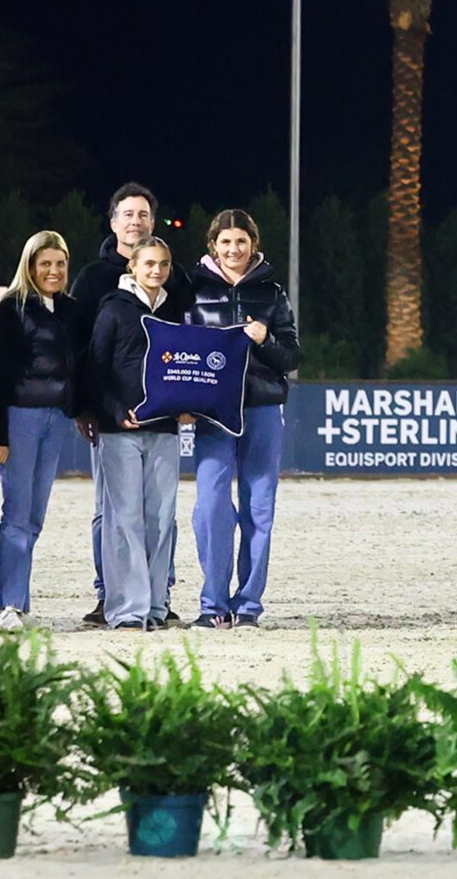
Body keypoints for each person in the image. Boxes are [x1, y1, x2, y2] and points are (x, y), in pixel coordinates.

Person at [180, 206, 301, 628]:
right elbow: (179, 351)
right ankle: (213, 604)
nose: (234, 249)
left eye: (241, 241)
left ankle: (248, 605)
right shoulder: (192, 291)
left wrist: (265, 339)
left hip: (262, 408)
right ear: (213, 246)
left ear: (254, 245)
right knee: (210, 507)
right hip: (213, 414)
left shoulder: (272, 293)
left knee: (259, 508)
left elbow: (291, 356)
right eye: (226, 241)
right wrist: (184, 401)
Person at [80, 235, 183, 632]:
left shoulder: (173, 310)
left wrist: (188, 404)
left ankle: (155, 605)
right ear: (133, 267)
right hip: (119, 430)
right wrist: (114, 411)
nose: (157, 270)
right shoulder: (113, 309)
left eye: (163, 264)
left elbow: (184, 367)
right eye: (149, 264)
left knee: (161, 519)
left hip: (164, 428)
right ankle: (127, 610)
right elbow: (95, 369)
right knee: (124, 520)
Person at [68, 182, 159, 628]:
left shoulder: (169, 276)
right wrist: (82, 406)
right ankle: (109, 594)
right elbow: (80, 349)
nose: (135, 222)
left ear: (152, 222)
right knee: (109, 509)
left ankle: (157, 596)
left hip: (157, 417)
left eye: (143, 214)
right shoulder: (91, 279)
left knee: (156, 513)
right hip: (108, 415)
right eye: (128, 214)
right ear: (113, 222)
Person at [0, 230, 80, 630]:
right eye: (45, 264)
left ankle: (17, 603)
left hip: (57, 420)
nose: (53, 271)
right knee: (17, 515)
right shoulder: (10, 310)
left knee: (34, 516)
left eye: (60, 264)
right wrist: (0, 437)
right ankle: (6, 605)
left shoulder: (71, 310)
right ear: (30, 266)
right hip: (20, 418)